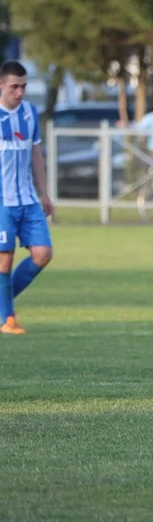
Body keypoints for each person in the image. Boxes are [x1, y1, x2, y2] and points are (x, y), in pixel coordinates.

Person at [0, 60, 53, 335]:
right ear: (1, 85)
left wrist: (44, 192)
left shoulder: (31, 113)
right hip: (2, 201)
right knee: (4, 260)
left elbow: (36, 154)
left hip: (29, 199)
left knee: (43, 254)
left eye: (23, 86)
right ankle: (7, 318)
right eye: (14, 87)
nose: (20, 92)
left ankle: (2, 308)